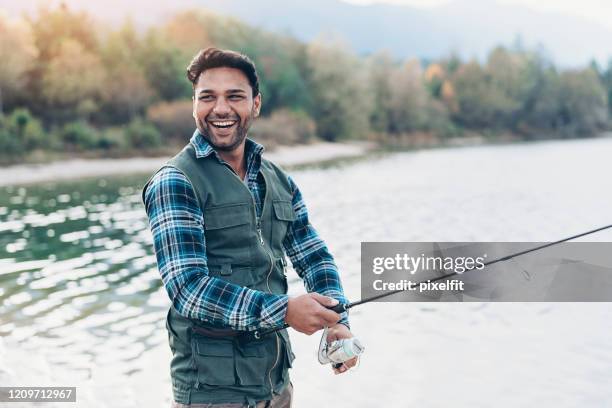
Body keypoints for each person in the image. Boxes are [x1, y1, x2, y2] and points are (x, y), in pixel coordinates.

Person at [142, 47, 357, 408]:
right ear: (194, 104)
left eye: (235, 96)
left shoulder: (278, 180)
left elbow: (313, 255)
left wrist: (337, 320)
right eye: (207, 97)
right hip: (213, 395)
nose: (220, 108)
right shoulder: (175, 181)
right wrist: (285, 310)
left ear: (255, 104)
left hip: (277, 386)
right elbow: (188, 289)